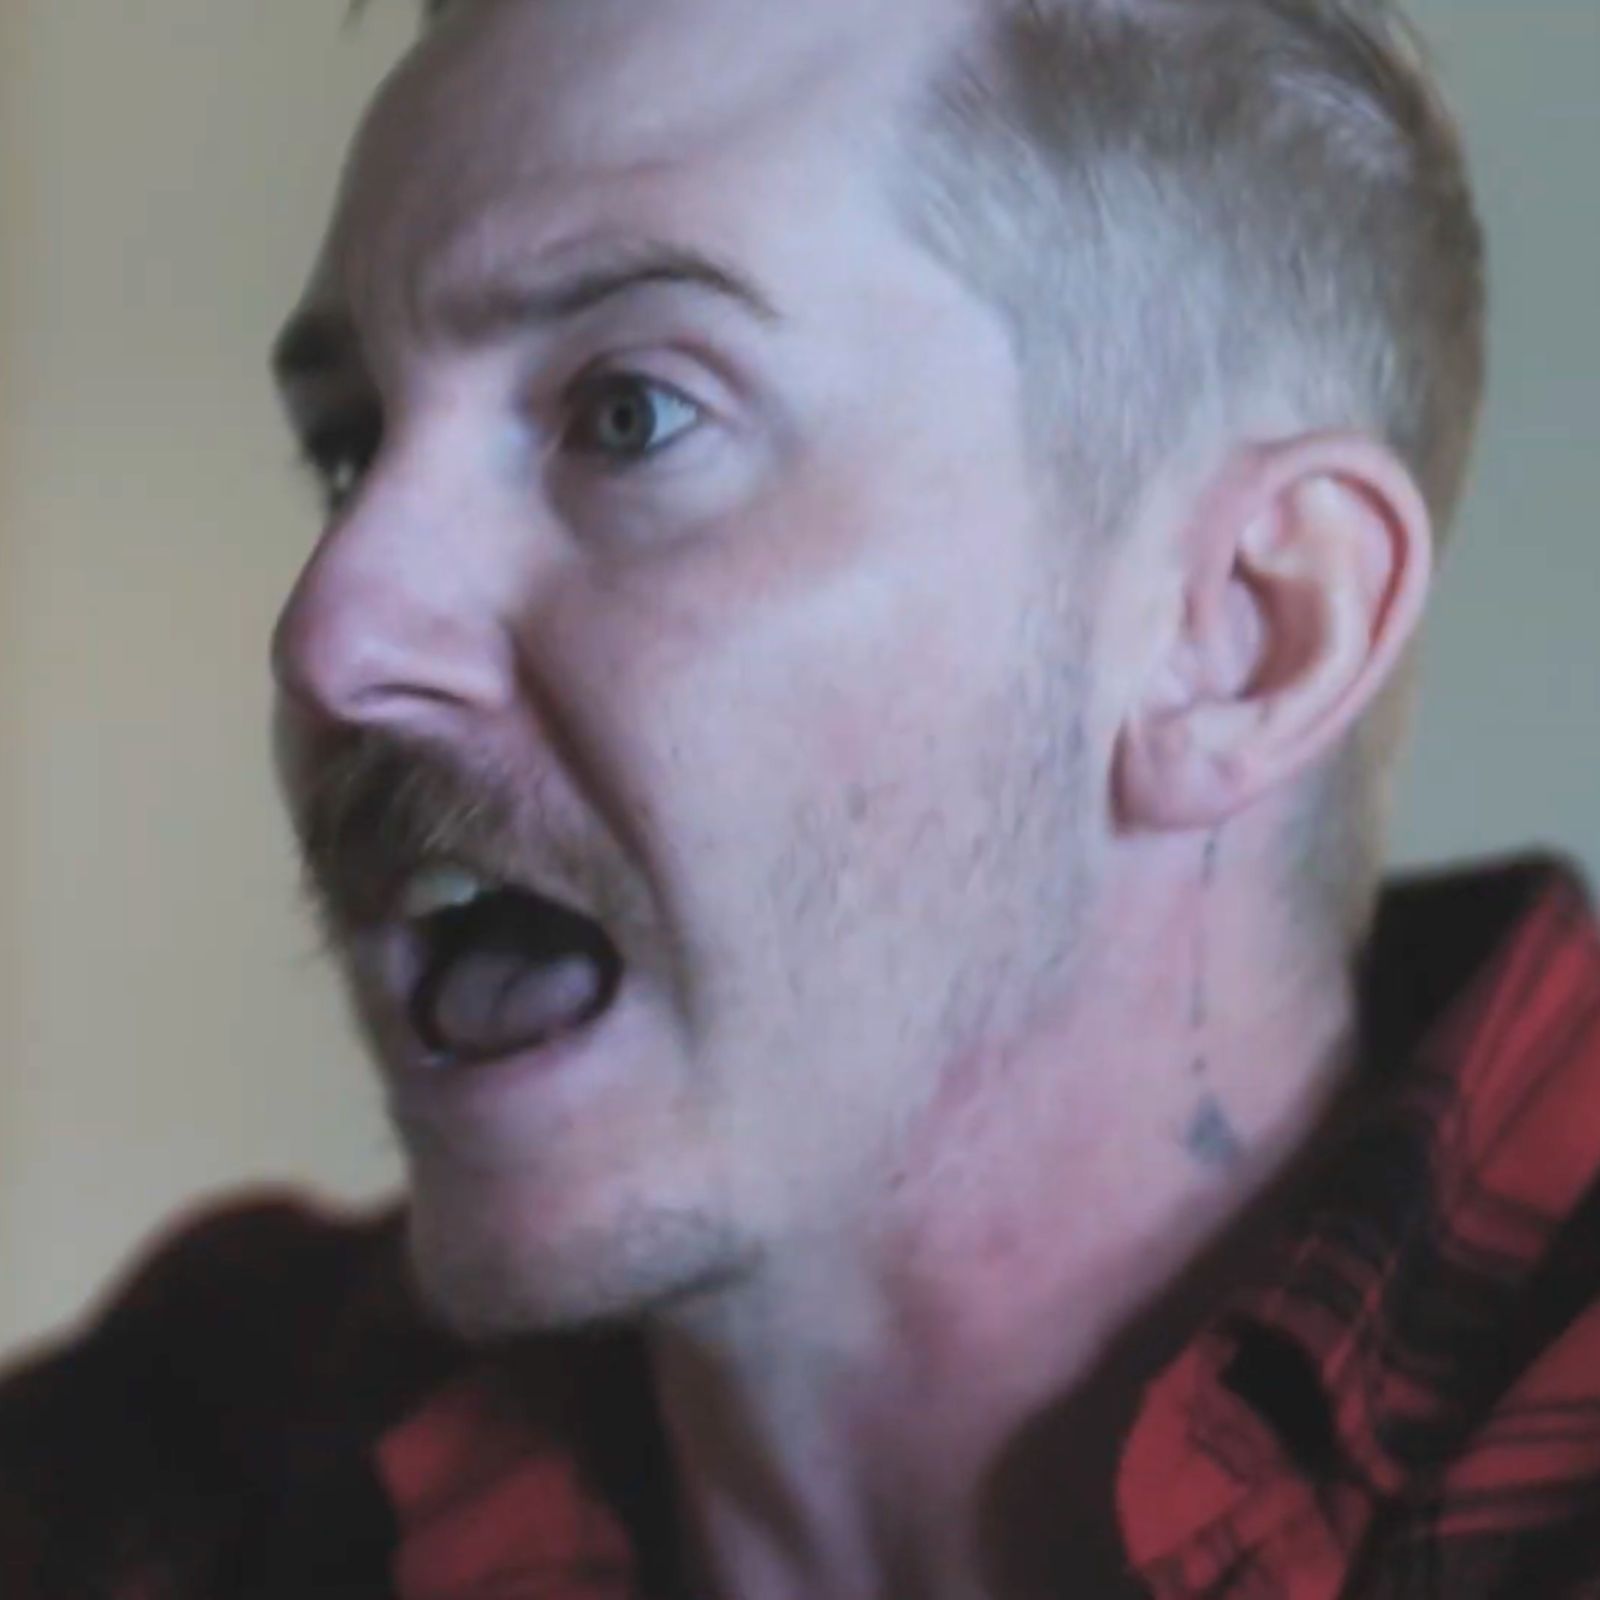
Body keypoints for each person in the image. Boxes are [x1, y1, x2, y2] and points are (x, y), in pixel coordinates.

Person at [4, 0, 1599, 1594]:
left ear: (1245, 634)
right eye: (350, 452)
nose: (332, 635)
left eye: (629, 415)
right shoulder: (182, 1479)